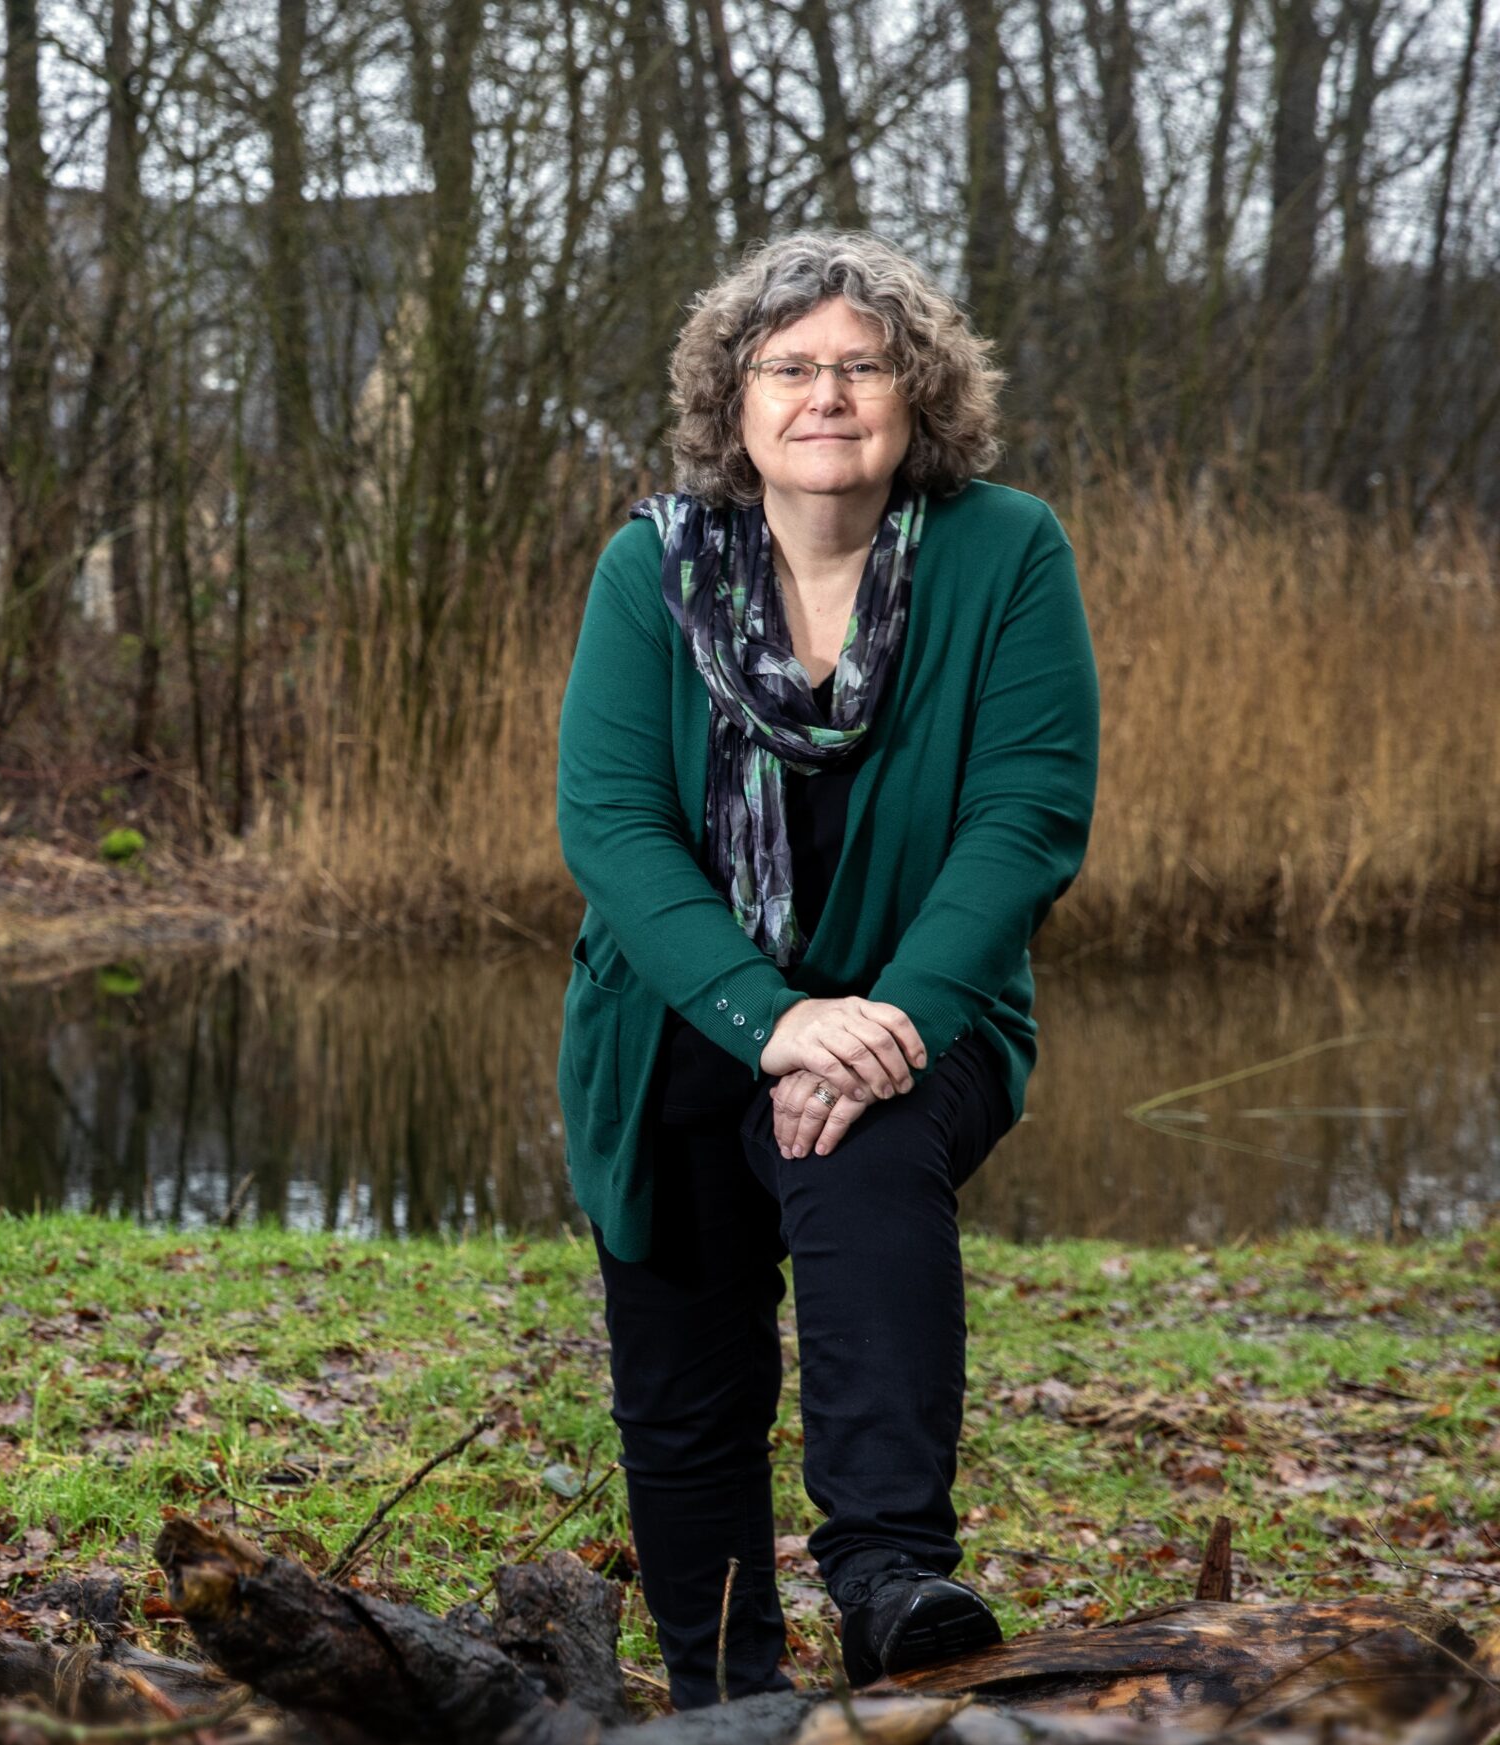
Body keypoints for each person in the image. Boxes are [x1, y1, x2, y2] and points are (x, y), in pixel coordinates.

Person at [553, 230, 1100, 1708]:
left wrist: (888, 1022)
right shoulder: (651, 566)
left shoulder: (1006, 551)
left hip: (924, 1016)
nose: (828, 393)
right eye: (790, 366)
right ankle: (730, 1695)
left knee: (860, 1134)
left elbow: (1028, 814)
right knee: (684, 1378)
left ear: (920, 396)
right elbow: (610, 823)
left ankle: (889, 1579)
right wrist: (773, 1016)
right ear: (734, 403)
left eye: (862, 364)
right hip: (679, 1015)